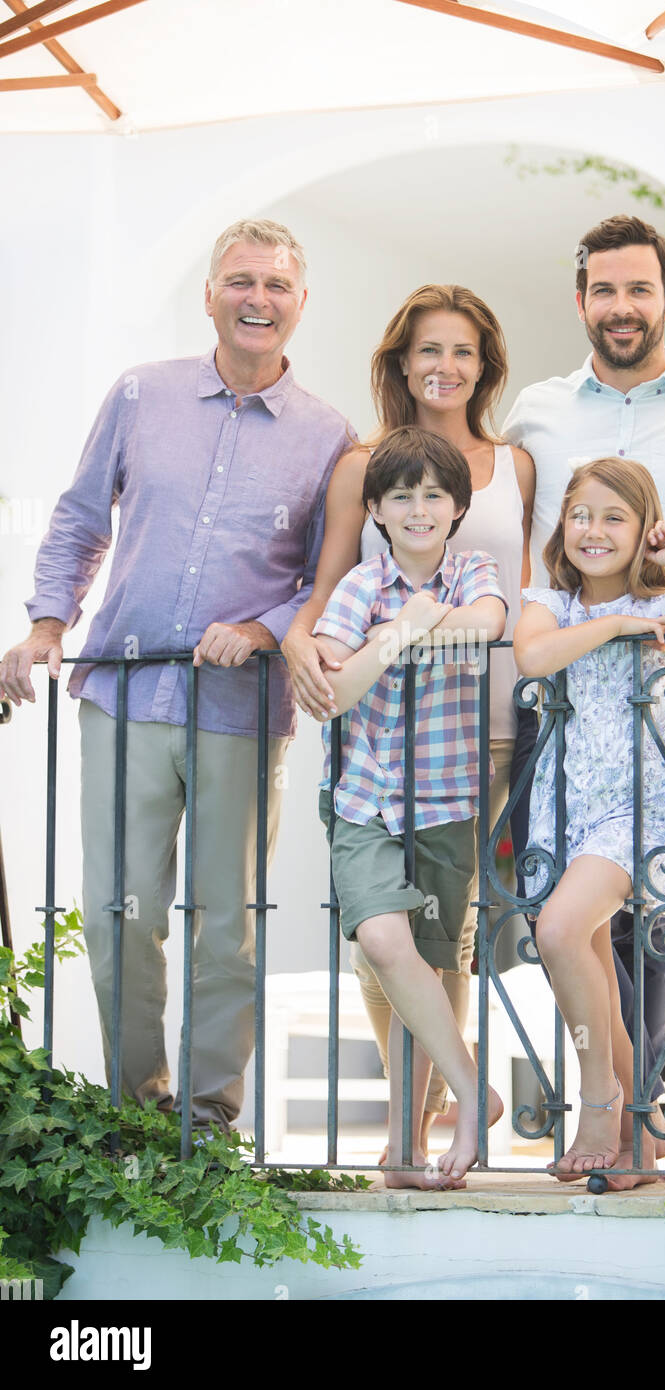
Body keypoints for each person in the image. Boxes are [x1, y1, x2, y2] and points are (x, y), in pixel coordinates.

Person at [0, 218, 352, 1135]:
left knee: (226, 926)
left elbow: (328, 580)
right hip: (122, 694)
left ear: (300, 305)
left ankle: (208, 1118)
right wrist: (46, 625)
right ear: (210, 295)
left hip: (239, 707)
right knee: (119, 915)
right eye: (241, 281)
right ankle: (137, 1106)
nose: (258, 300)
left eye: (277, 286)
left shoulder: (328, 434)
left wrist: (261, 628)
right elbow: (79, 520)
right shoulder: (140, 395)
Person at [284, 284, 534, 1151]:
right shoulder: (365, 472)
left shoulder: (510, 469)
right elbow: (323, 607)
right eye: (430, 349)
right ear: (401, 361)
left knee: (445, 940)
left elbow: (511, 603)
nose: (446, 366)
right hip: (373, 760)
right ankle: (427, 1111)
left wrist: (416, 625)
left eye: (463, 351)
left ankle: (425, 1123)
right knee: (381, 942)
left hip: (473, 748)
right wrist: (315, 645)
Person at [503, 214, 665, 1148]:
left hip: (656, 728)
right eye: (605, 289)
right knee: (577, 937)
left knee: (642, 934)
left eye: (641, 290)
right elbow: (517, 552)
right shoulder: (538, 410)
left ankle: (617, 1111)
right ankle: (631, 1120)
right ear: (583, 299)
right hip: (564, 741)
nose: (623, 306)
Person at [514, 458, 665, 1184]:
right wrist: (619, 621)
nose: (594, 530)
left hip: (636, 807)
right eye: (582, 514)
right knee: (588, 959)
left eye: (616, 517)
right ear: (563, 524)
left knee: (557, 931)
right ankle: (638, 1131)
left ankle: (601, 1102)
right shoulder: (549, 603)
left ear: (643, 530)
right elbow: (531, 655)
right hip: (565, 805)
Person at [312, 426, 506, 1187]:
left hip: (448, 801)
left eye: (434, 495)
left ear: (458, 506)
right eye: (402, 496)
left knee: (430, 962)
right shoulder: (360, 585)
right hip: (366, 798)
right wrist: (399, 632)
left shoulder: (473, 569)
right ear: (377, 510)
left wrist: (401, 630)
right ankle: (465, 1090)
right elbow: (335, 694)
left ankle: (403, 1146)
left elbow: (489, 624)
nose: (419, 509)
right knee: (385, 945)